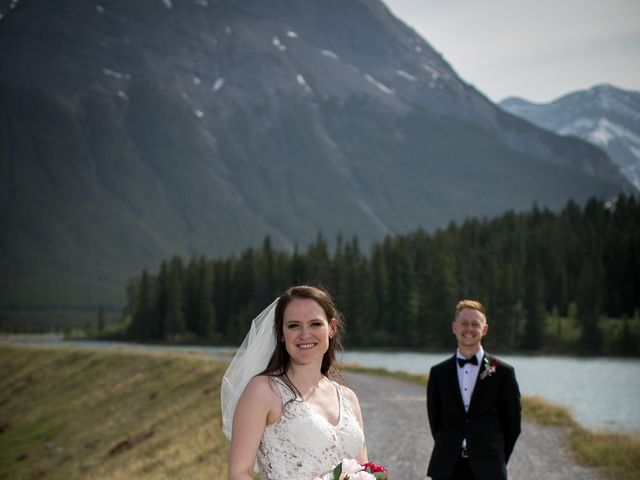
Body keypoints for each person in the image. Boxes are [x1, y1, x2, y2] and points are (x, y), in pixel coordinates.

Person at [222, 285, 368, 480]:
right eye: (293, 325)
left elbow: (362, 470)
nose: (305, 334)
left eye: (315, 324)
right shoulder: (263, 391)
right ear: (281, 333)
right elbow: (240, 473)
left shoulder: (348, 398)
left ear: (331, 328)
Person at [426, 300, 521, 480]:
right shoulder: (438, 373)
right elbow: (435, 422)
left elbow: (512, 425)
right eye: (464, 323)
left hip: (490, 468)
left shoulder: (503, 373)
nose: (469, 329)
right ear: (454, 327)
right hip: (446, 468)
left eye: (475, 324)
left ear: (484, 329)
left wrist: (497, 456)